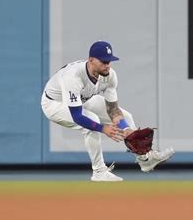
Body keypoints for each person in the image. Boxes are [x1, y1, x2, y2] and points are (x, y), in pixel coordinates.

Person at [41, 41, 175, 182]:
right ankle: (98, 171)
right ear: (91, 60)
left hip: (83, 100)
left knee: (127, 117)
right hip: (54, 103)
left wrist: (126, 129)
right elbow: (77, 116)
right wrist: (102, 128)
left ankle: (145, 159)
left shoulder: (109, 75)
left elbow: (113, 110)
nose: (107, 65)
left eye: (109, 61)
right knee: (91, 121)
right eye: (103, 61)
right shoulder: (73, 77)